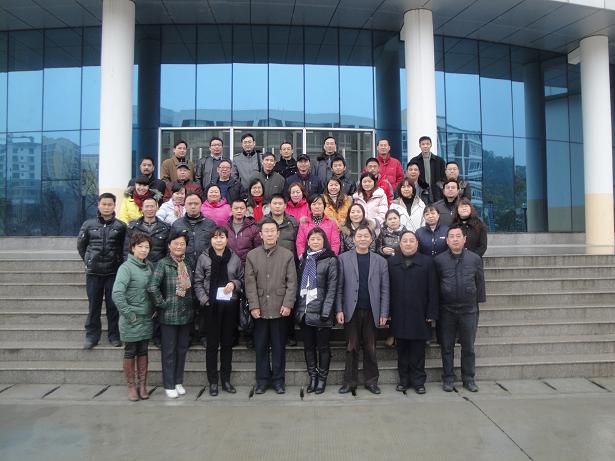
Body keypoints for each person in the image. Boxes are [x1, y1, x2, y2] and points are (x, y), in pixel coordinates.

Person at [245, 218, 297, 394]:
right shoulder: (252, 255)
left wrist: (288, 304)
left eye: (272, 231)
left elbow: (292, 282)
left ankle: (278, 380)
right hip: (259, 308)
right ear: (260, 234)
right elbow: (249, 283)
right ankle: (262, 381)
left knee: (278, 347)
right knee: (260, 347)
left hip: (280, 307)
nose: (269, 234)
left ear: (278, 234)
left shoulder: (287, 255)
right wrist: (253, 306)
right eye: (266, 231)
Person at [336, 225, 389, 395]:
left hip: (372, 310)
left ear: (371, 239)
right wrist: (339, 309)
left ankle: (371, 381)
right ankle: (349, 382)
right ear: (353, 239)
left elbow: (385, 289)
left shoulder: (380, 261)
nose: (363, 239)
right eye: (359, 236)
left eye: (366, 236)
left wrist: (384, 313)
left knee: (370, 347)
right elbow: (339, 287)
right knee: (351, 347)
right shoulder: (343, 259)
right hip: (350, 310)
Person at [434, 225, 486, 393]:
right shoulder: (439, 260)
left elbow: (480, 283)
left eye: (458, 236)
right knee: (446, 347)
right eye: (452, 236)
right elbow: (435, 285)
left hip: (469, 310)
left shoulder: (475, 259)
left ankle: (468, 378)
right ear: (447, 240)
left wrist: (477, 304)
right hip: (446, 310)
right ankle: (448, 378)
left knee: (468, 347)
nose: (455, 239)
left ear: (464, 239)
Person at [194, 227, 244, 396]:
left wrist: (234, 284)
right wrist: (205, 300)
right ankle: (213, 382)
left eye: (221, 237)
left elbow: (241, 278)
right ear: (211, 240)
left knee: (227, 344)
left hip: (229, 306)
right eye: (215, 237)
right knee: (212, 345)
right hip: (211, 307)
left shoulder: (234, 258)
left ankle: (226, 380)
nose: (218, 240)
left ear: (227, 239)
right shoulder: (204, 257)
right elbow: (198, 281)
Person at [388, 231, 438, 394]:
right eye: (405, 241)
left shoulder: (427, 262)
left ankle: (418, 382)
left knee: (418, 351)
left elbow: (433, 289)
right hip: (399, 313)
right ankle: (403, 380)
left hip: (420, 314)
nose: (408, 243)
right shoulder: (392, 262)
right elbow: (387, 290)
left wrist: (431, 313)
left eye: (411, 240)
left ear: (417, 243)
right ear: (400, 243)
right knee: (402, 350)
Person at [147, 230, 194, 399]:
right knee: (169, 351)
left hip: (186, 314)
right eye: (176, 243)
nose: (179, 246)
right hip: (169, 315)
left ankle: (178, 381)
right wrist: (163, 304)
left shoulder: (187, 263)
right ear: (169, 245)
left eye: (182, 244)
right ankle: (169, 384)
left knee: (182, 349)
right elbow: (152, 287)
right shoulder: (163, 263)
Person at [77, 192, 127, 350]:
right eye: (104, 204)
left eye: (110, 204)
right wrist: (88, 260)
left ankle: (114, 335)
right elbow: (81, 246)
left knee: (113, 306)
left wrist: (121, 265)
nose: (106, 207)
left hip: (113, 272)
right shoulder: (88, 225)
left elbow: (124, 249)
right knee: (94, 306)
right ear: (98, 205)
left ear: (114, 206)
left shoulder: (121, 226)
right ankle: (92, 336)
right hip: (94, 273)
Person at [295, 228, 338, 394]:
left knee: (323, 348)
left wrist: (326, 312)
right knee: (308, 348)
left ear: (324, 241)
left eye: (318, 239)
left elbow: (332, 288)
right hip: (305, 312)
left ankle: (322, 379)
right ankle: (312, 377)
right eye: (312, 239)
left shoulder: (331, 260)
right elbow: (300, 287)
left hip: (321, 312)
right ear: (308, 242)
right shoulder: (304, 259)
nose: (315, 242)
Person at [112, 232, 154, 401]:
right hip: (131, 319)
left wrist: (154, 307)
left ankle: (142, 385)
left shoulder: (149, 266)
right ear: (132, 248)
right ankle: (131, 387)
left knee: (143, 351)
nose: (144, 250)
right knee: (130, 352)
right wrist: (129, 314)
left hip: (146, 318)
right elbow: (117, 294)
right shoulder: (126, 268)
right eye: (140, 246)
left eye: (147, 247)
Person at [171, 192, 216, 347]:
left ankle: (203, 334)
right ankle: (189, 335)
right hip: (184, 268)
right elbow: (171, 246)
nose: (193, 206)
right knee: (187, 302)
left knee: (204, 303)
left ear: (201, 205)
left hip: (204, 270)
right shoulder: (177, 224)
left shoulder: (210, 224)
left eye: (196, 203)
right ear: (184, 205)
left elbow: (214, 246)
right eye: (189, 203)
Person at [125, 197, 170, 348]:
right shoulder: (133, 227)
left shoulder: (165, 227)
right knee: (141, 301)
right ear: (142, 208)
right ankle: (141, 333)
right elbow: (126, 249)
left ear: (157, 208)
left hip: (158, 270)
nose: (150, 209)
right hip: (139, 269)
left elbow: (167, 250)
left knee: (157, 302)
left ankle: (157, 335)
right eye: (147, 206)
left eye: (152, 206)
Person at [224, 198, 262, 266]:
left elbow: (258, 249)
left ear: (246, 210)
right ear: (231, 210)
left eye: (242, 208)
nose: (239, 211)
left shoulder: (253, 228)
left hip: (247, 265)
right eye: (236, 208)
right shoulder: (225, 228)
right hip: (228, 265)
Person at [409, 136, 446, 203]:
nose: (425, 146)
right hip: (420, 193)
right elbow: (411, 177)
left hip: (436, 193)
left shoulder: (439, 161)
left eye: (427, 144)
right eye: (423, 144)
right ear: (419, 145)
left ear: (431, 145)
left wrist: (440, 188)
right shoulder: (414, 160)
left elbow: (444, 177)